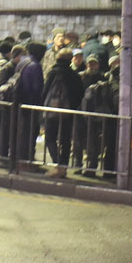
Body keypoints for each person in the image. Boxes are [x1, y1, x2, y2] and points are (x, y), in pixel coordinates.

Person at [41, 49, 83, 178]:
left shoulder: (53, 72)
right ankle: (63, 167)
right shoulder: (74, 75)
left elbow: (46, 91)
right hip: (68, 112)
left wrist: (42, 105)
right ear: (70, 59)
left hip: (52, 111)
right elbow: (80, 94)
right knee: (65, 140)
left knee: (50, 138)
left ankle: (57, 164)